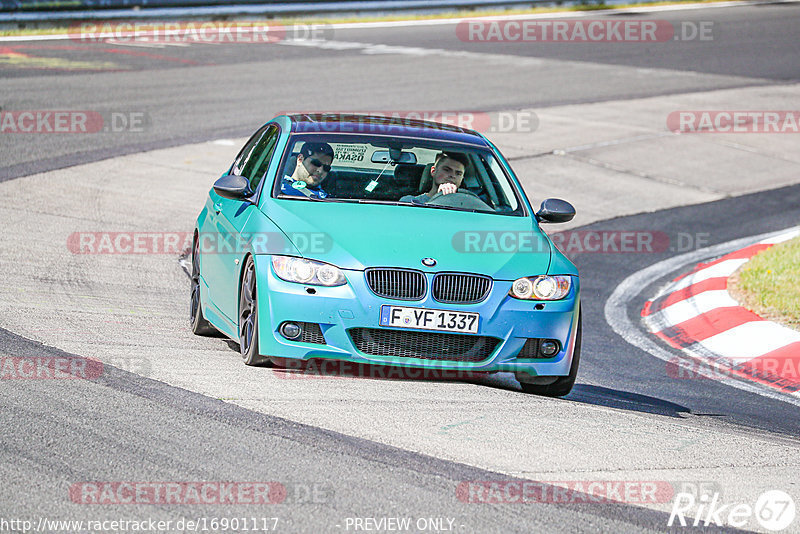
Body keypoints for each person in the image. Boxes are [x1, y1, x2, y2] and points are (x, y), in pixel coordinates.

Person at [399, 151, 469, 204]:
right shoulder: (409, 202)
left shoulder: (466, 205)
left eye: (458, 173)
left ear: (462, 178)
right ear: (433, 171)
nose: (452, 176)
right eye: (447, 170)